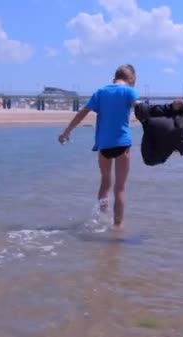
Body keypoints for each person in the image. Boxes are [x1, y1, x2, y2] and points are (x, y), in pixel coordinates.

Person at [58, 64, 141, 229]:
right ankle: (118, 226)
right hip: (122, 144)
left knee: (105, 183)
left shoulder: (101, 92)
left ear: (114, 78)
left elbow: (82, 113)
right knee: (120, 188)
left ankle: (103, 219)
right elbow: (141, 108)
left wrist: (67, 132)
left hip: (104, 145)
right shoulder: (129, 92)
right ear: (131, 79)